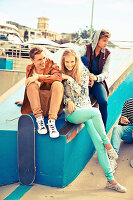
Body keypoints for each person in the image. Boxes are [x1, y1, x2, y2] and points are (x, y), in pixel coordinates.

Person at [61, 49, 127, 193]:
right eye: (67, 62)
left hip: (85, 109)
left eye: (72, 61)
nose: (70, 64)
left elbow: (82, 92)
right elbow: (61, 95)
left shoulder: (83, 72)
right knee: (96, 112)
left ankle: (111, 180)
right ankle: (108, 143)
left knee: (99, 144)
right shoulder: (61, 74)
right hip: (73, 113)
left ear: (77, 60)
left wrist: (70, 79)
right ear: (63, 61)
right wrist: (68, 101)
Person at [19, 46, 64, 138]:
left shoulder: (52, 65)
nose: (43, 61)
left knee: (58, 84)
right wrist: (27, 102)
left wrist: (38, 77)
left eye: (44, 58)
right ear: (32, 60)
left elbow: (58, 77)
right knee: (31, 84)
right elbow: (31, 90)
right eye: (39, 59)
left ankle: (52, 123)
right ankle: (40, 121)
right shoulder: (29, 69)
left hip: (52, 106)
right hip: (38, 108)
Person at [79, 29, 111, 128]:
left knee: (103, 101)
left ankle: (103, 130)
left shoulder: (107, 54)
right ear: (97, 40)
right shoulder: (85, 49)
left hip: (97, 81)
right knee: (83, 59)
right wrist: (87, 76)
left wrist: (95, 78)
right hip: (82, 80)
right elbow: (75, 61)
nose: (106, 43)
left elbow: (105, 73)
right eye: (104, 40)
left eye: (107, 41)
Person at [110, 98, 133, 172]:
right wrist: (121, 121)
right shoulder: (128, 102)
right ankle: (113, 159)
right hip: (129, 133)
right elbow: (121, 123)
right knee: (117, 128)